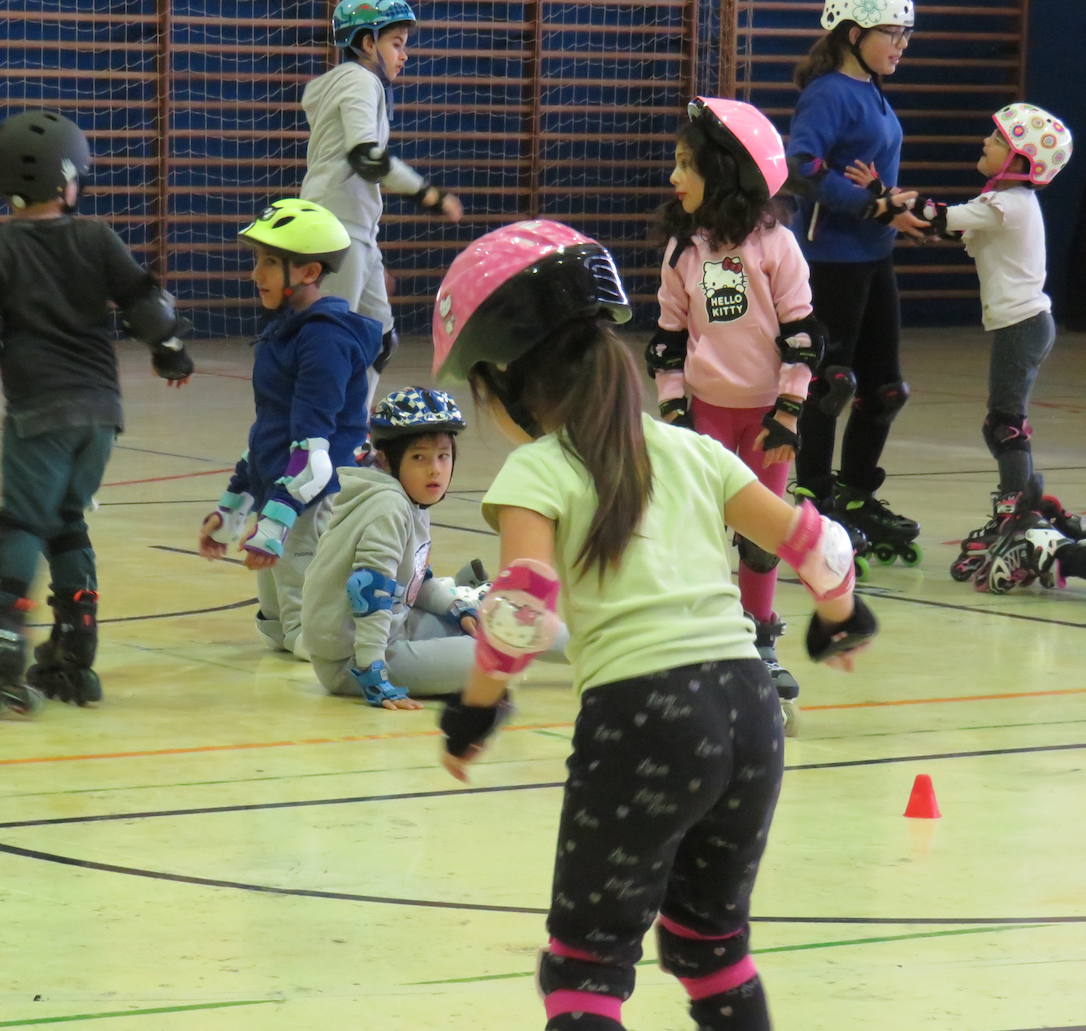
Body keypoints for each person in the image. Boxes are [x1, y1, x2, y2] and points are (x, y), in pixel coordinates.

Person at [429, 219, 877, 1031]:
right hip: (750, 713)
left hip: (644, 720)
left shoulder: (538, 468)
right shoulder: (691, 451)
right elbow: (817, 543)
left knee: (587, 965)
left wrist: (476, 707)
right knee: (710, 943)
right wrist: (841, 618)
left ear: (502, 383)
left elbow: (523, 606)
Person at [0, 109, 194, 717]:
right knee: (67, 521)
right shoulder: (95, 237)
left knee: (21, 524)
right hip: (100, 416)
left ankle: (3, 640)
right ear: (69, 181)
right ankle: (76, 637)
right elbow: (147, 303)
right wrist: (171, 354)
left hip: (38, 414)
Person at [649, 96, 829, 734]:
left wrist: (788, 413)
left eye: (685, 165)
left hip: (761, 422)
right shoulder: (683, 249)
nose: (674, 179)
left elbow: (803, 338)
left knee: (759, 540)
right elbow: (669, 340)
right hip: (706, 415)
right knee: (693, 532)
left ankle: (759, 641)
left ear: (724, 172)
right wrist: (674, 414)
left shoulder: (776, 248)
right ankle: (698, 639)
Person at [871, 104, 1073, 584]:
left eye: (997, 139)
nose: (986, 142)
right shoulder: (1004, 204)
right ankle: (1022, 501)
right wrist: (908, 212)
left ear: (1020, 162)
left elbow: (939, 218)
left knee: (1005, 424)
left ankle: (1017, 514)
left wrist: (882, 198)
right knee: (1001, 422)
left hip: (1021, 324)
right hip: (1022, 324)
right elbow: (942, 226)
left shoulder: (1007, 204)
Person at [301, 386, 565, 709]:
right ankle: (603, 651)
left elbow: (415, 582)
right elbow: (369, 592)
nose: (434, 469)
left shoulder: (407, 499)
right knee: (499, 651)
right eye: (419, 457)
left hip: (395, 628)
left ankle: (603, 649)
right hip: (355, 660)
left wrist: (456, 608)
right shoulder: (388, 507)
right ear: (386, 460)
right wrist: (373, 674)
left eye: (443, 456)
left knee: (499, 621)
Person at [198, 199, 380, 658]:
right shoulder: (284, 332)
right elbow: (269, 436)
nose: (256, 274)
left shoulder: (325, 339)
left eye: (270, 262)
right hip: (282, 497)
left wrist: (274, 526)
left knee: (309, 642)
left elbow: (313, 455)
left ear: (308, 272)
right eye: (257, 260)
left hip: (313, 501)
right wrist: (233, 509)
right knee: (277, 630)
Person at [787, 0, 927, 566]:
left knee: (885, 389)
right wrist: (874, 206)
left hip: (873, 255)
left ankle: (857, 495)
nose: (901, 45)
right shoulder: (829, 92)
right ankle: (816, 496)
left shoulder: (870, 89)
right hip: (832, 259)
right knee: (832, 383)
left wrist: (890, 208)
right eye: (892, 33)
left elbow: (866, 180)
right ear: (853, 33)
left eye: (907, 35)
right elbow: (802, 167)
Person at [301, 0, 463, 399]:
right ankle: (312, 438)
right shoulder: (359, 80)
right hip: (338, 230)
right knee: (331, 343)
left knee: (379, 338)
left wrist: (369, 253)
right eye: (395, 43)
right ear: (367, 44)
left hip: (351, 230)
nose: (404, 54)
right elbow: (366, 156)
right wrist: (427, 193)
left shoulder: (346, 81)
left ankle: (354, 433)